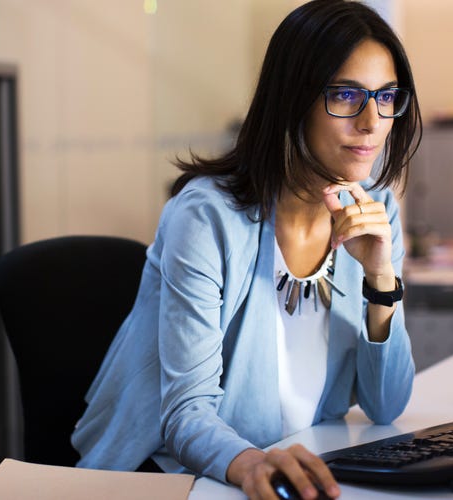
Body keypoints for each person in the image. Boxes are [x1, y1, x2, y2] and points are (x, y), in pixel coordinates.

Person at [71, 1, 422, 498]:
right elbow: (186, 413)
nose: (372, 121)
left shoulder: (374, 209)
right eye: (346, 94)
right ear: (291, 98)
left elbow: (386, 405)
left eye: (387, 96)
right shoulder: (207, 216)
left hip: (298, 460)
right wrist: (253, 465)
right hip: (170, 474)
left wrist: (380, 278)